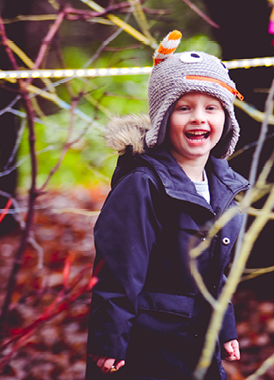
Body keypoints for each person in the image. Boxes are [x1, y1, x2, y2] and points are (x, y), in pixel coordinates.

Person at [86, 30, 249, 380]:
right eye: (183, 108)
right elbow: (118, 270)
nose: (199, 119)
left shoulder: (224, 186)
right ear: (162, 119)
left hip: (198, 346)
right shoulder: (143, 184)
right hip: (146, 348)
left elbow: (217, 272)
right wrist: (110, 340)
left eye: (212, 108)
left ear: (226, 118)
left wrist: (225, 326)